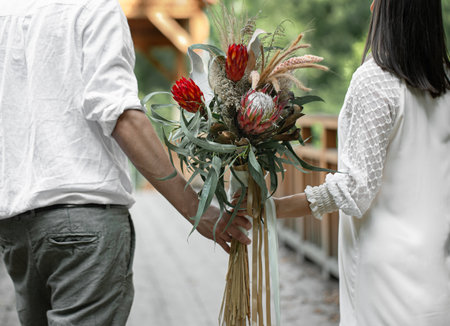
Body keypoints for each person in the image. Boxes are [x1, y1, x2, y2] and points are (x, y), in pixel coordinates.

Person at [0, 0, 250, 325]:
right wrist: (194, 208)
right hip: (83, 221)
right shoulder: (94, 7)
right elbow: (120, 115)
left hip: (15, 224)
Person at [271, 0, 450, 325]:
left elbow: (355, 187)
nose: (371, 6)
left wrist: (277, 208)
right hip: (437, 270)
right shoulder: (445, 83)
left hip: (385, 275)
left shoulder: (376, 81)